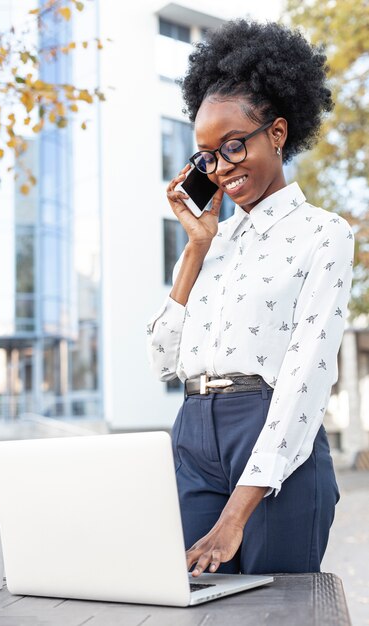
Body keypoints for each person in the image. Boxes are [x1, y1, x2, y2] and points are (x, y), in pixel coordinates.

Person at [146, 19, 355, 577]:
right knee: (185, 605)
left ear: (279, 133)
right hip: (192, 432)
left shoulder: (323, 233)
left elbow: (307, 374)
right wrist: (193, 251)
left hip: (271, 434)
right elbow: (162, 363)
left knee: (275, 611)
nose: (222, 167)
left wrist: (238, 512)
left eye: (233, 145)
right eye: (207, 155)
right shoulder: (209, 242)